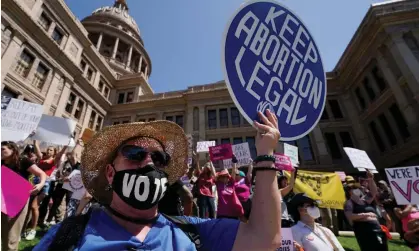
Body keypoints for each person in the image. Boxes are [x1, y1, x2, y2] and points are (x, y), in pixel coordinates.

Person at [34, 110, 282, 250]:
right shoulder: (66, 236)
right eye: (134, 154)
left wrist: (265, 154)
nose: (149, 163)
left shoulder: (191, 231)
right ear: (110, 173)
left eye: (159, 158)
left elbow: (264, 239)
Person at [1, 141, 46, 251]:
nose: (0, 151)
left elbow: (42, 174)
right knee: (3, 232)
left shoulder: (23, 161)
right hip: (3, 199)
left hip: (17, 201)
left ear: (13, 150)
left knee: (11, 235)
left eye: (3, 149)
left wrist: (40, 184)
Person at [343, 170, 388, 251]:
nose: (358, 190)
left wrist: (371, 179)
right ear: (349, 192)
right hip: (364, 230)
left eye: (357, 188)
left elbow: (373, 192)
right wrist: (366, 214)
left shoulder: (365, 200)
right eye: (354, 189)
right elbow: (350, 216)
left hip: (376, 228)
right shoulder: (349, 203)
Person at [24, 141, 59, 240]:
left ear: (54, 152)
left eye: (51, 150)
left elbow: (60, 154)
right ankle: (23, 229)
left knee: (34, 206)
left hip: (45, 185)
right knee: (28, 205)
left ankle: (32, 230)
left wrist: (66, 145)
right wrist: (35, 141)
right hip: (34, 183)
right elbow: (37, 149)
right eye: (48, 149)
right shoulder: (42, 158)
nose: (48, 151)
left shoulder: (54, 160)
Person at [194, 154, 216, 219]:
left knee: (212, 212)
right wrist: (197, 161)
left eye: (208, 166)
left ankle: (212, 225)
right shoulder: (201, 175)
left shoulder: (211, 176)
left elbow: (214, 172)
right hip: (202, 196)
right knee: (202, 214)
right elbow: (197, 170)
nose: (207, 167)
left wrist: (210, 161)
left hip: (210, 196)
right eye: (206, 166)